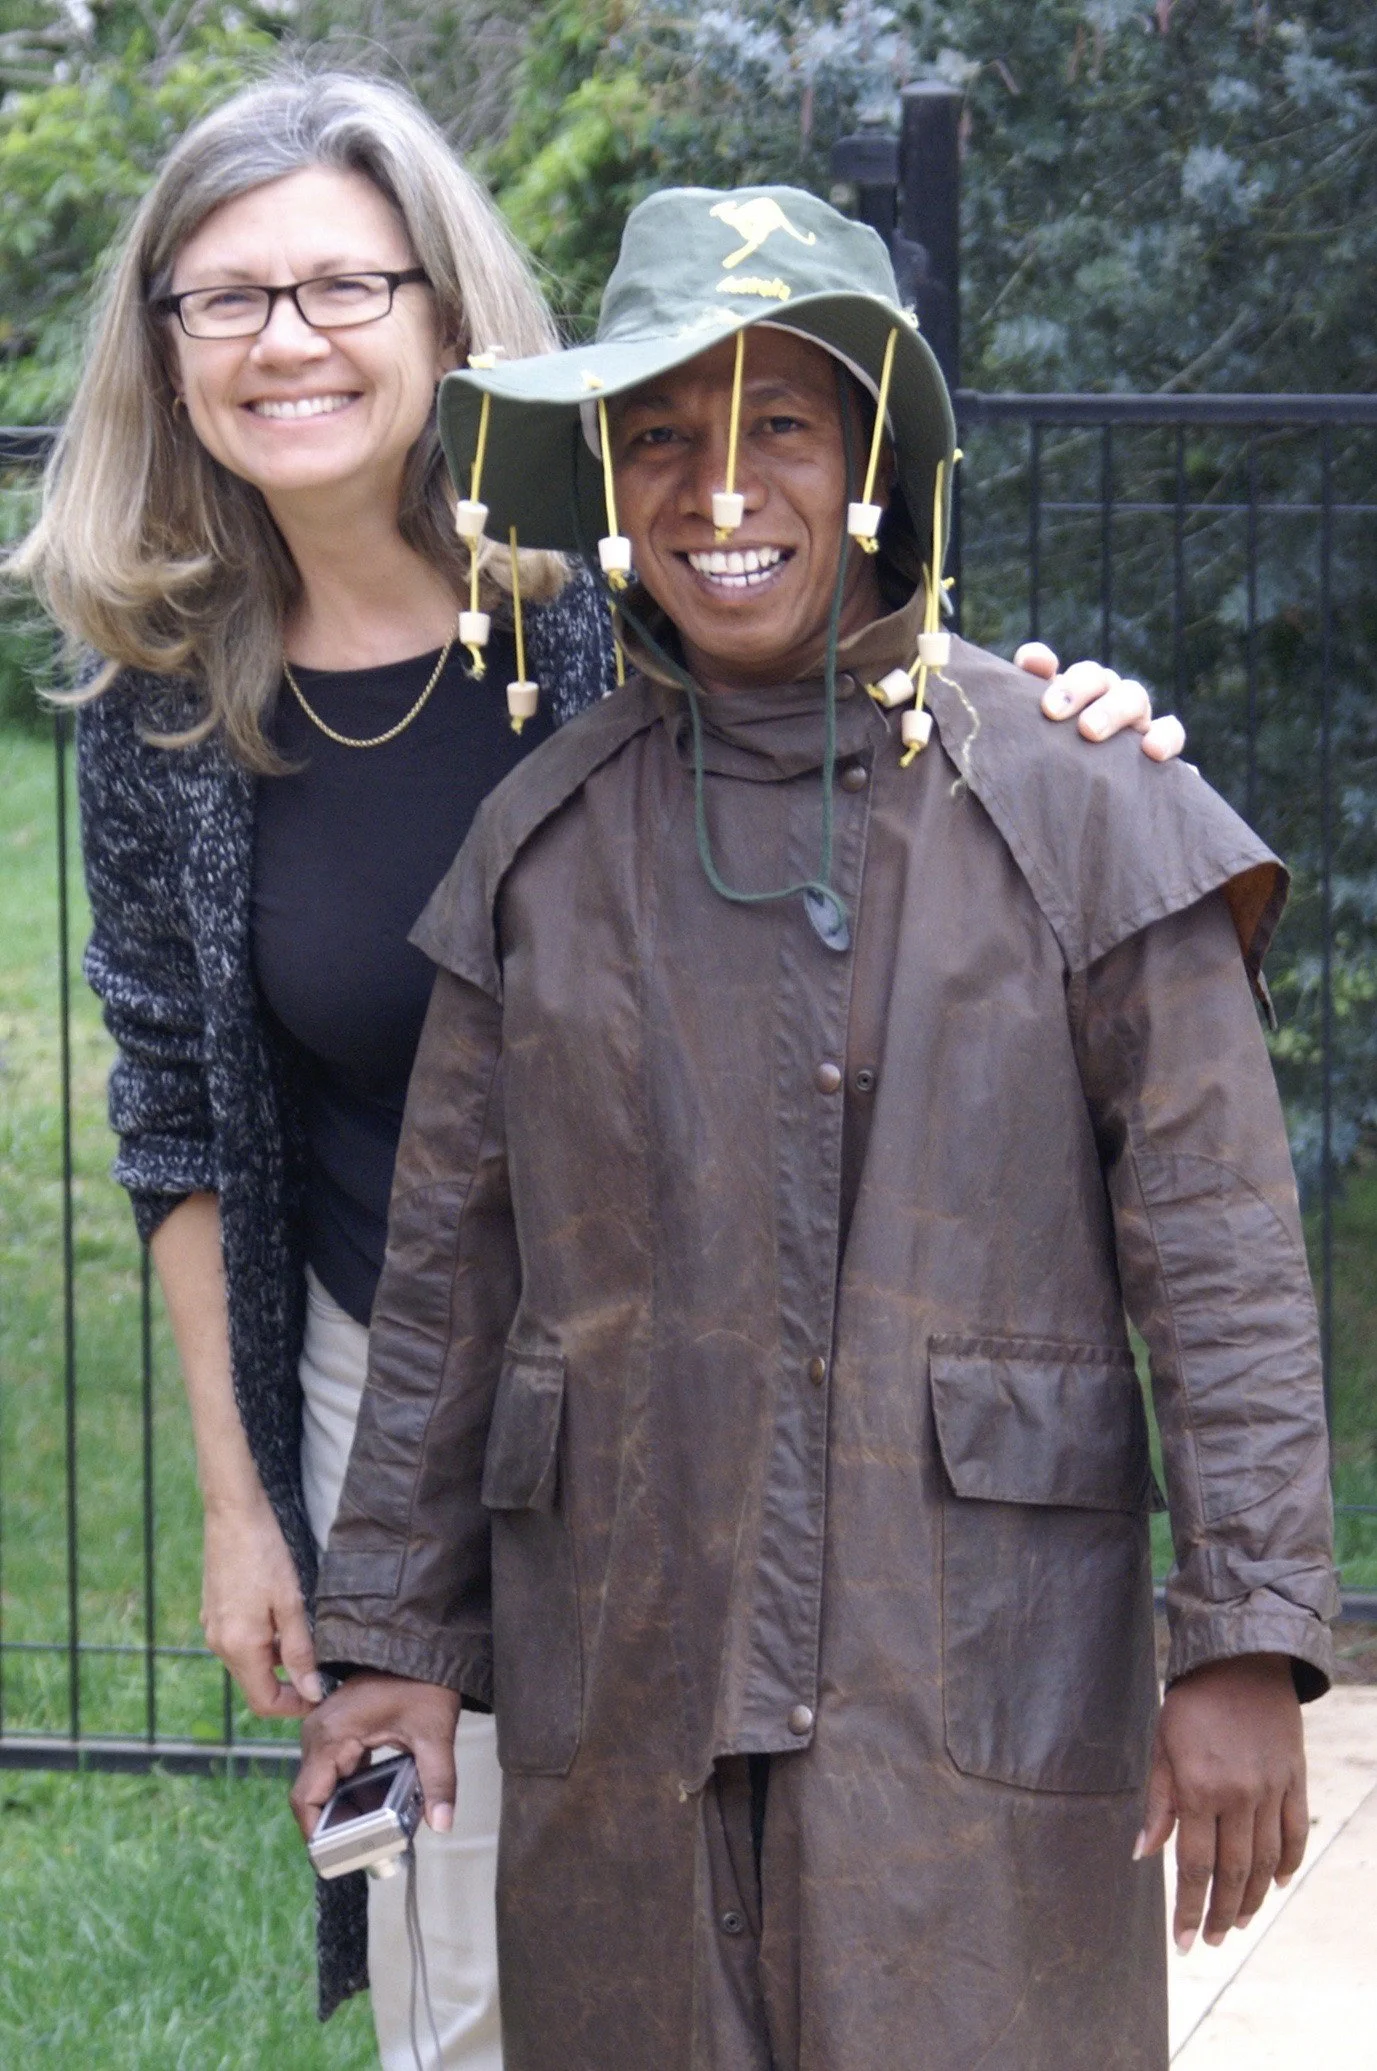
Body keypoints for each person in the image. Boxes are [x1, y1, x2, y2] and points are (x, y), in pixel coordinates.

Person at [6, 62, 1174, 2056]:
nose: (288, 339)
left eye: (344, 286)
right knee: (470, 1983)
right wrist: (241, 1491)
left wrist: (1077, 717)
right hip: (403, 1380)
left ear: (447, 320)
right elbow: (179, 1118)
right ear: (167, 350)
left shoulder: (601, 611)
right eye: (228, 298)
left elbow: (889, 728)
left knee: (785, 1932)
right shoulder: (166, 711)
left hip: (724, 1359)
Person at [297, 185, 1337, 2071]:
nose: (720, 492)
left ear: (873, 463)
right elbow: (446, 1278)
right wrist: (390, 1639)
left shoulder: (1079, 804)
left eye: (780, 424)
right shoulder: (543, 847)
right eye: (668, 436)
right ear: (608, 479)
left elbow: (1225, 1259)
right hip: (634, 1657)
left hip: (971, 1671)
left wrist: (1245, 1640)